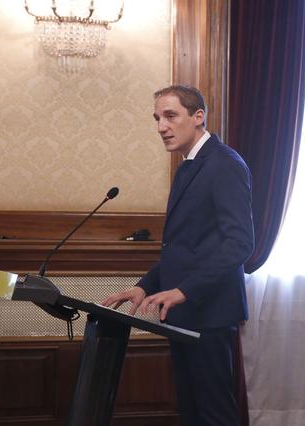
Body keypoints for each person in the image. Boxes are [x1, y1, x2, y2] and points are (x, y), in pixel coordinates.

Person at [102, 85, 254, 426]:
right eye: (157, 118)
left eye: (170, 116)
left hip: (209, 313)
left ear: (198, 117)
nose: (161, 126)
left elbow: (240, 243)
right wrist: (145, 286)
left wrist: (185, 290)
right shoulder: (187, 166)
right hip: (184, 313)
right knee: (192, 413)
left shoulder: (224, 164)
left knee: (214, 415)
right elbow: (184, 248)